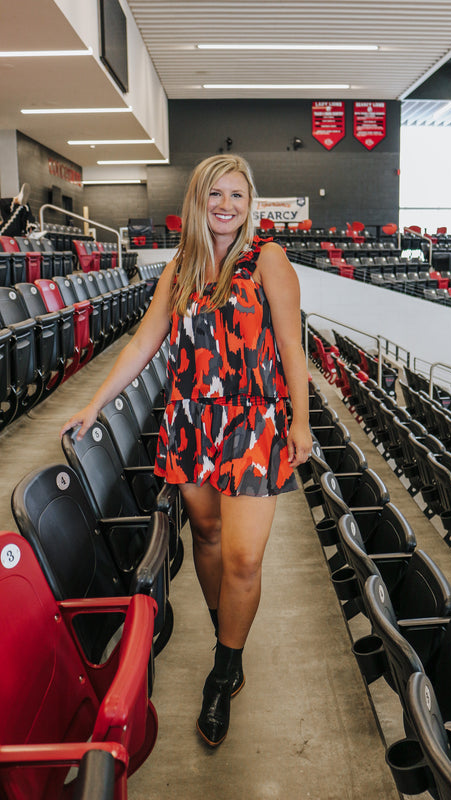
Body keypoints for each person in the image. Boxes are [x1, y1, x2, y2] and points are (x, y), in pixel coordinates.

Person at [60, 153, 313, 748]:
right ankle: (227, 633)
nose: (226, 206)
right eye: (215, 195)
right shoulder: (182, 267)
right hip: (192, 420)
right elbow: (144, 343)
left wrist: (301, 421)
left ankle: (223, 671)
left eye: (238, 197)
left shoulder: (270, 260)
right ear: (197, 202)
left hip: (254, 424)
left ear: (250, 207)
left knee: (244, 558)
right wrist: (94, 404)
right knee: (204, 536)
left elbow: (292, 348)